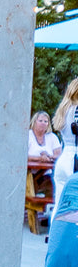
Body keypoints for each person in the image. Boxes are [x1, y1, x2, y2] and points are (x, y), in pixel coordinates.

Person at [51, 80, 78, 217]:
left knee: (59, 204)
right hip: (75, 159)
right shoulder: (77, 110)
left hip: (64, 157)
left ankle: (54, 235)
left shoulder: (64, 109)